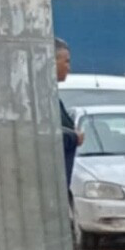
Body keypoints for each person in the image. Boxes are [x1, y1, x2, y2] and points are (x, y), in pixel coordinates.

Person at [55, 38, 82, 186]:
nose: (69, 68)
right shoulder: (43, 99)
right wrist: (74, 136)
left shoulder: (53, 96)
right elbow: (48, 134)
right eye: (66, 62)